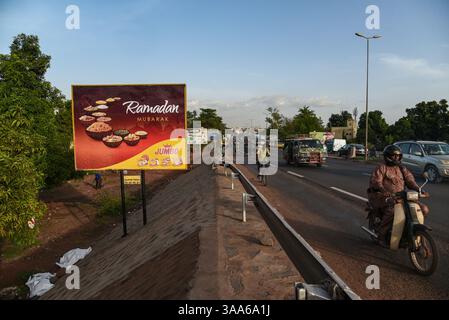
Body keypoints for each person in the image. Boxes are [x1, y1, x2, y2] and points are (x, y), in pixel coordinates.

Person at [367, 145, 429, 246]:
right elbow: (376, 182)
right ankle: (381, 236)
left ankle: (410, 229)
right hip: (382, 196)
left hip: (402, 197)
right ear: (387, 156)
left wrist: (419, 190)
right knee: (392, 211)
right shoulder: (381, 167)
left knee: (423, 209)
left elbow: (410, 181)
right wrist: (383, 190)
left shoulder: (402, 168)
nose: (396, 158)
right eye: (393, 156)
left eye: (398, 156)